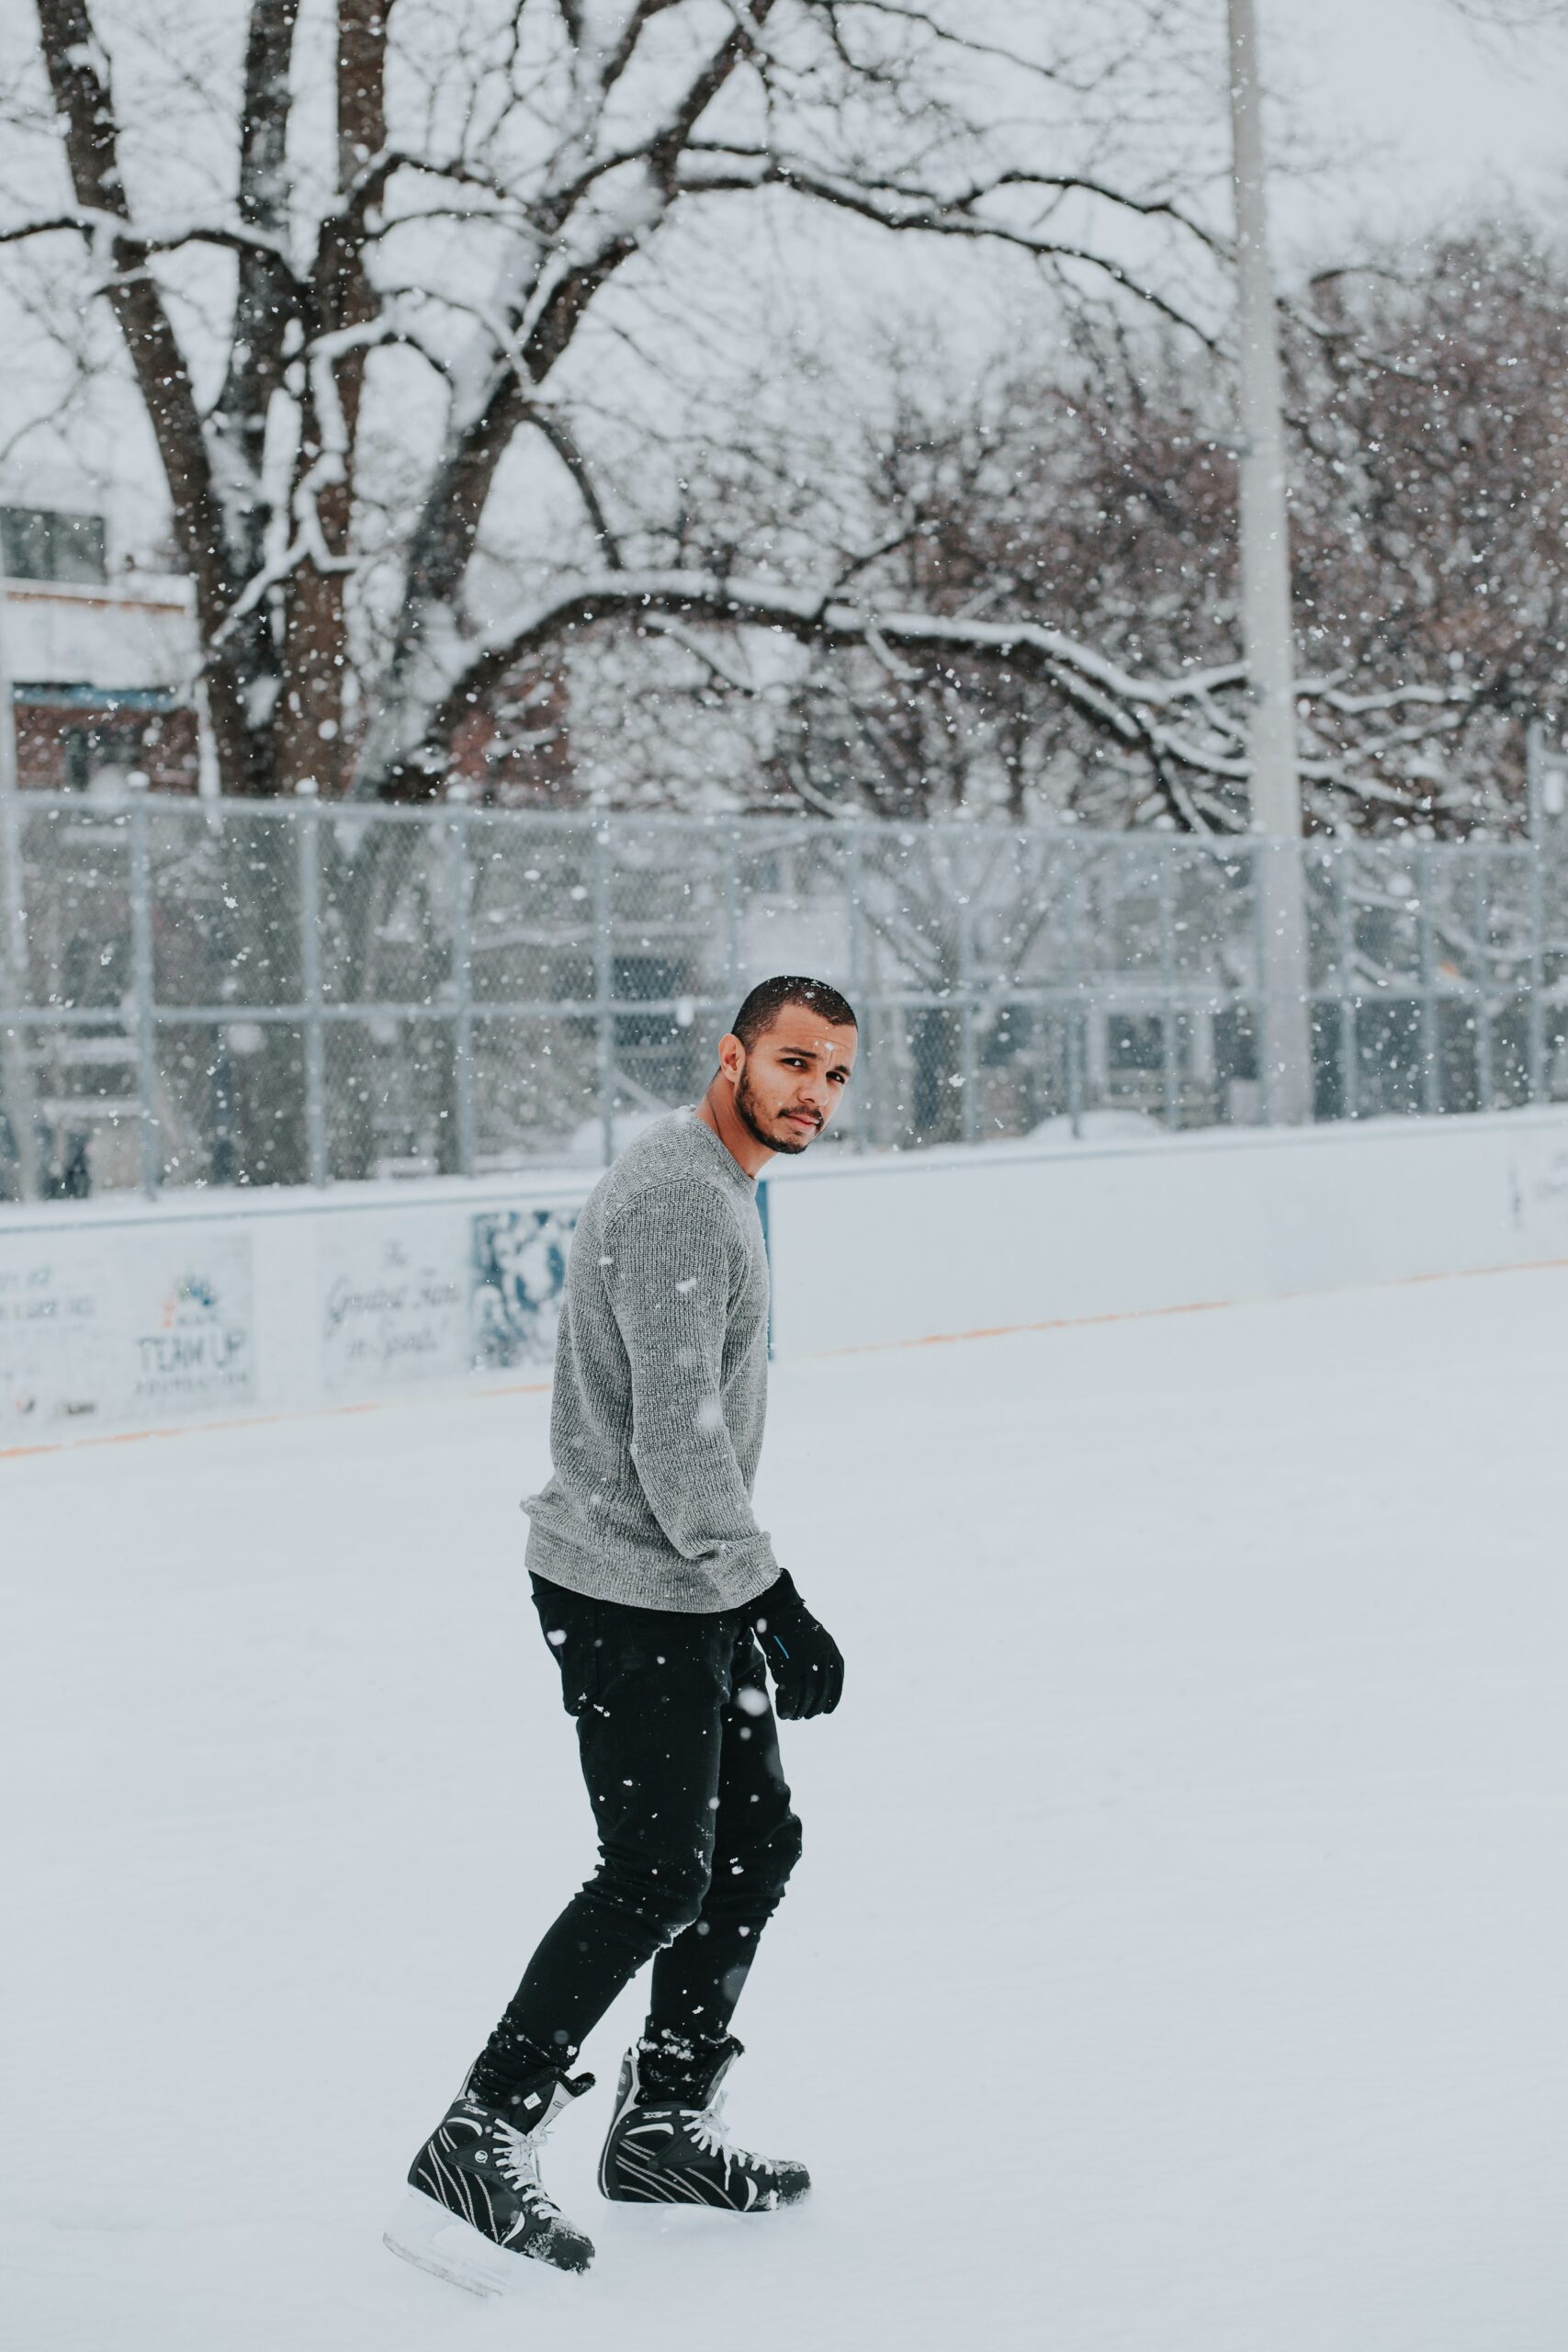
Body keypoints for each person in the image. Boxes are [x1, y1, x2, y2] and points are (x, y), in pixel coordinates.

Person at [385, 974, 859, 2296]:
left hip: (684, 1583)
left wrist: (741, 1591)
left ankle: (656, 2124)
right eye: (794, 1062)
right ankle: (483, 2128)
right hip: (622, 1585)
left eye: (835, 1073)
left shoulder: (724, 1189)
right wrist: (777, 1597)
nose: (814, 1092)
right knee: (655, 1870)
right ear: (733, 1057)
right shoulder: (676, 1198)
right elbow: (675, 1438)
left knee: (755, 1842)